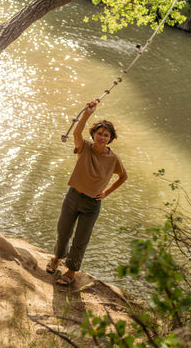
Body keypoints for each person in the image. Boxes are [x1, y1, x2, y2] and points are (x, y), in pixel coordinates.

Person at [46, 99, 128, 286]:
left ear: (111, 138)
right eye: (99, 133)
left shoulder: (113, 158)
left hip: (92, 204)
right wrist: (87, 113)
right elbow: (76, 132)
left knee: (80, 240)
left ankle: (71, 272)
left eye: (106, 135)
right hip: (73, 196)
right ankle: (57, 259)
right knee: (63, 232)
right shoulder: (84, 148)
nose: (102, 137)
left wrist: (106, 193)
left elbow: (123, 177)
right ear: (93, 134)